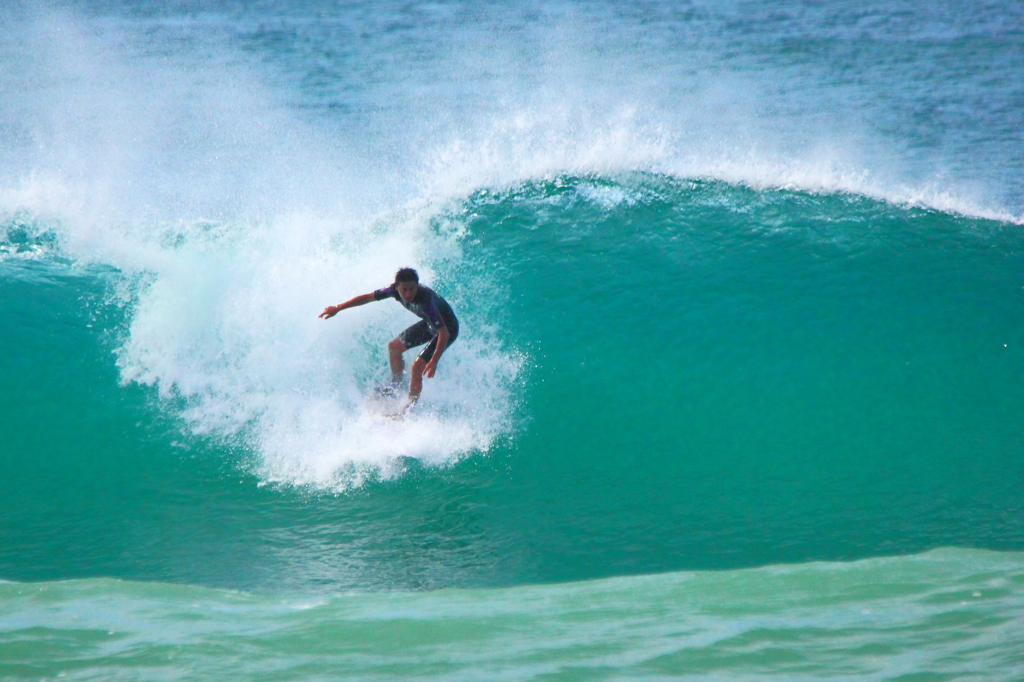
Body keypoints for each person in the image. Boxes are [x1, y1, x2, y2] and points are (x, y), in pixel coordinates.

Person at [319, 267, 459, 404]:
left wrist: (434, 360)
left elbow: (444, 333)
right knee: (394, 347)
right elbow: (368, 298)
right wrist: (338, 308)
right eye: (404, 289)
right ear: (397, 287)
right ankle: (396, 386)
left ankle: (409, 408)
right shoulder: (392, 290)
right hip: (430, 324)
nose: (408, 294)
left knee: (417, 367)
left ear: (417, 285)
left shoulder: (426, 302)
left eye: (412, 289)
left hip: (448, 329)